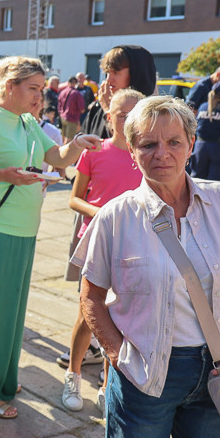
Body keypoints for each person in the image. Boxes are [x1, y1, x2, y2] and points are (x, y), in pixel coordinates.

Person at [72, 95, 220, 438]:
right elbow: (91, 296)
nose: (162, 154)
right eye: (148, 144)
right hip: (145, 375)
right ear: (131, 148)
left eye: (174, 142)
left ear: (192, 144)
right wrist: (118, 353)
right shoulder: (115, 217)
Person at [0, 56, 100, 419]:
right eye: (32, 88)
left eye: (42, 89)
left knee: (9, 317)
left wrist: (77, 142)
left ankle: (0, 380)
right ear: (9, 86)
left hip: (23, 230)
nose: (38, 96)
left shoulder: (28, 121)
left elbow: (56, 157)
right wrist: (5, 175)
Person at [61, 89, 143, 412]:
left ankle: (109, 384)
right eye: (121, 114)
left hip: (132, 245)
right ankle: (73, 372)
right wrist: (102, 213)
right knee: (88, 314)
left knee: (120, 318)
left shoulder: (145, 155)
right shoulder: (94, 152)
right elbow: (74, 198)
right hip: (96, 241)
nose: (127, 120)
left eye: (134, 114)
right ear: (109, 116)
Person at [81, 45, 158, 140]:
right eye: (107, 72)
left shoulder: (151, 114)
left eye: (115, 72)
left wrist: (108, 111)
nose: (108, 79)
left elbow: (126, 144)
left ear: (135, 74)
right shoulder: (98, 107)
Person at [191, 81, 220, 181]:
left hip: (200, 147)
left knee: (197, 180)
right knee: (215, 183)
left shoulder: (203, 107)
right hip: (219, 149)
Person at [57, 76, 85, 140]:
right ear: (76, 83)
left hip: (62, 117)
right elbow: (82, 109)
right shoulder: (76, 93)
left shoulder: (62, 92)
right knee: (69, 140)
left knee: (62, 138)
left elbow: (59, 104)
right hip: (72, 118)